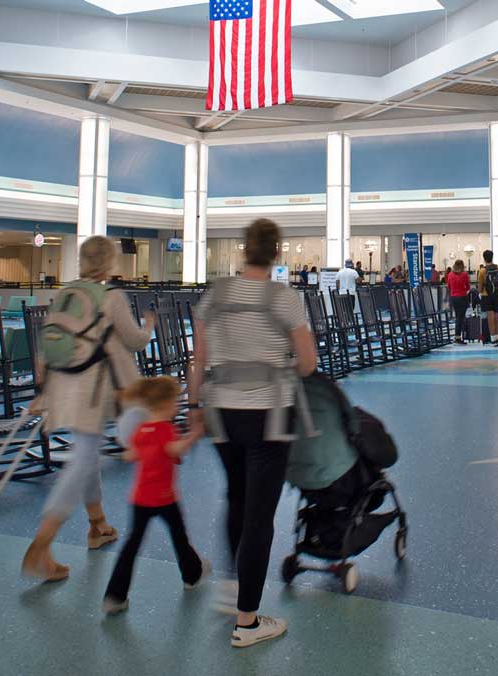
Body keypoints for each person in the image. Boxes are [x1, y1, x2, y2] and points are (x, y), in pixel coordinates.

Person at [187, 218, 318, 649]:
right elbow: (308, 362)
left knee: (237, 496)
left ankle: (233, 586)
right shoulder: (285, 300)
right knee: (260, 515)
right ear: (277, 252)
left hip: (223, 414)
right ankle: (247, 621)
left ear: (243, 250)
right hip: (269, 416)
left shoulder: (216, 296)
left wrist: (193, 407)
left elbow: (198, 359)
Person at [22, 236, 154, 582]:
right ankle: (42, 544)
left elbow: (46, 343)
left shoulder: (66, 293)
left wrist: (41, 389)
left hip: (61, 385)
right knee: (83, 458)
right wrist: (150, 329)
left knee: (87, 451)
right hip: (93, 389)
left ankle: (98, 526)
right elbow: (133, 340)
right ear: (111, 263)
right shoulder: (111, 297)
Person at [103, 376, 210, 615]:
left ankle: (115, 596)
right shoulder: (165, 430)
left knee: (132, 545)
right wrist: (193, 435)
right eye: (175, 401)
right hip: (165, 498)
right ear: (165, 404)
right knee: (179, 536)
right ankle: (192, 575)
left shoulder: (142, 431)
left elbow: (130, 456)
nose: (177, 406)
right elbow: (175, 449)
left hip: (140, 499)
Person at [477, 249, 498, 346]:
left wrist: (480, 291)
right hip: (497, 295)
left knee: (490, 317)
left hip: (487, 296)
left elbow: (480, 287)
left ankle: (493, 338)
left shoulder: (482, 271)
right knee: (496, 316)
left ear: (484, 258)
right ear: (492, 257)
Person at [447, 259, 471, 343]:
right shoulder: (464, 274)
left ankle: (457, 335)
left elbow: (449, 286)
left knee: (457, 317)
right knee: (460, 318)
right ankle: (457, 337)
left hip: (453, 298)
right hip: (462, 297)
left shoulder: (450, 274)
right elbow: (468, 287)